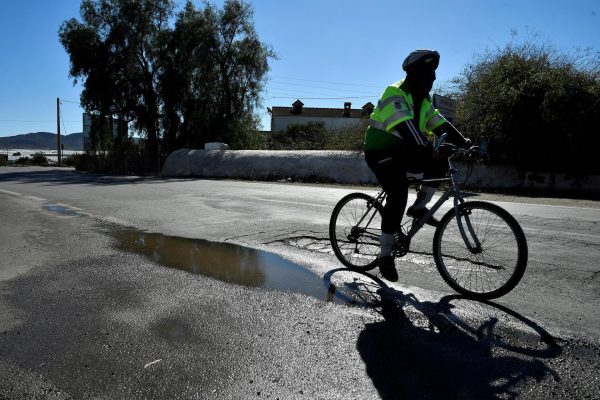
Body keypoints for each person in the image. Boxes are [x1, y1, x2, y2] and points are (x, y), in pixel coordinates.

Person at [364, 49, 472, 282]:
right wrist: (429, 149)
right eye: (427, 73)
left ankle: (419, 207)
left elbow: (441, 125)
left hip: (403, 152)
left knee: (441, 159)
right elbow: (407, 130)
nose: (432, 78)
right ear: (413, 74)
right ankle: (385, 255)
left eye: (434, 74)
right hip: (380, 152)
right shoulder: (395, 93)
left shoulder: (424, 101)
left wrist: (464, 143)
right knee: (398, 193)